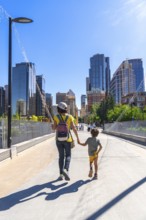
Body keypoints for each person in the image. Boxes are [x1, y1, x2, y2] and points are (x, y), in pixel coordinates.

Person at [52, 102, 79, 181]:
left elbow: (54, 128)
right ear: (66, 109)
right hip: (68, 139)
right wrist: (77, 138)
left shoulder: (56, 117)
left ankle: (61, 175)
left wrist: (53, 126)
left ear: (58, 109)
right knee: (68, 156)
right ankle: (66, 169)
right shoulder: (70, 117)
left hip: (58, 139)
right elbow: (74, 128)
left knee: (61, 157)